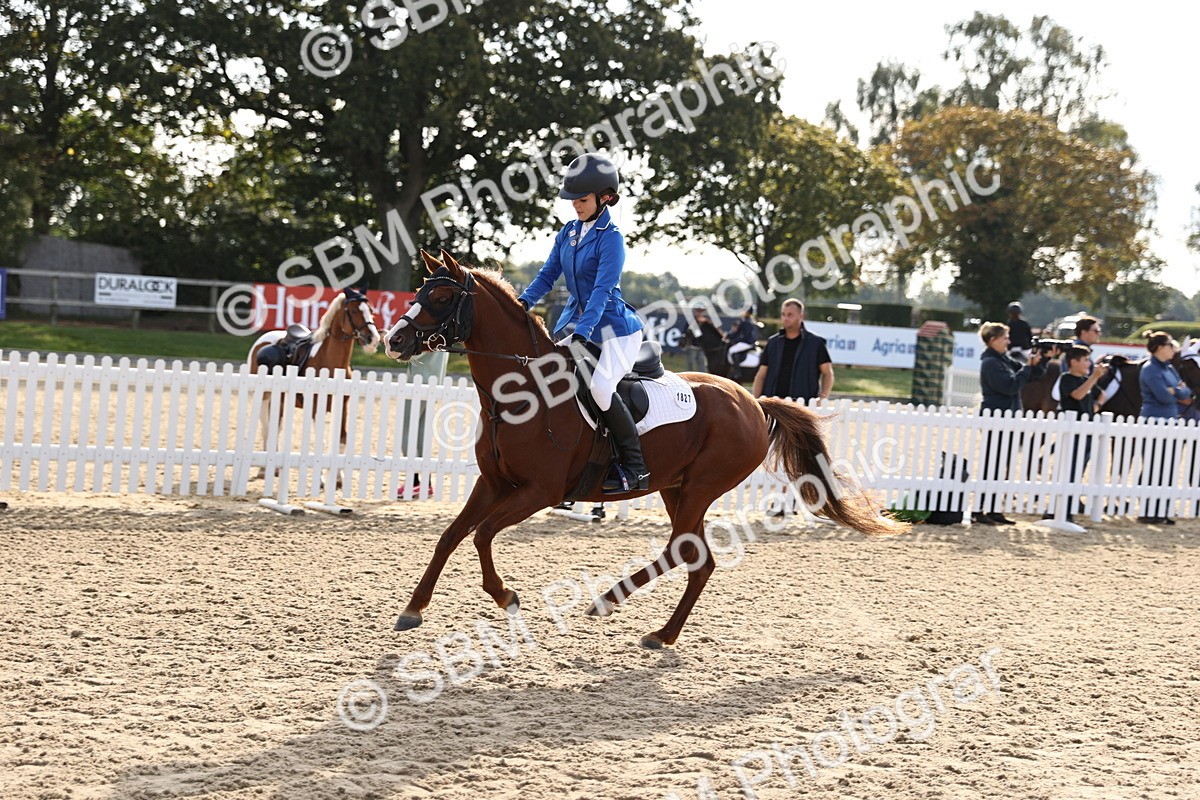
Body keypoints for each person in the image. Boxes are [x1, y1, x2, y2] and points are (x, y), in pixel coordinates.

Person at [517, 153, 649, 493]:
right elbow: (547, 275)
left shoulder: (612, 237)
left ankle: (635, 467)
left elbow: (603, 291)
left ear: (605, 197)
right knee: (548, 375)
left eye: (582, 199)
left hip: (616, 332)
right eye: (572, 199)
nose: (575, 205)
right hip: (580, 325)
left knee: (601, 388)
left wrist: (582, 332)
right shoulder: (569, 232)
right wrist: (521, 304)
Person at [974, 321, 1047, 525]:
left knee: (1001, 466)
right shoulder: (991, 363)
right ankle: (980, 510)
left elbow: (1033, 375)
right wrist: (1027, 369)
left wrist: (1042, 360)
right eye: (1005, 337)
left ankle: (994, 509)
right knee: (991, 466)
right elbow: (1011, 386)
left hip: (1007, 419)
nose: (1009, 341)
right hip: (995, 420)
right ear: (993, 340)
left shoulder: (1002, 359)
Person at [1136, 331, 1192, 524]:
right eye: (1170, 345)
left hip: (1170, 420)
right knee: (1153, 466)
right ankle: (1147, 511)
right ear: (1159, 347)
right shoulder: (1150, 369)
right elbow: (1164, 396)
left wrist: (1175, 390)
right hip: (1153, 420)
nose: (1174, 349)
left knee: (1167, 467)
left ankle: (1161, 510)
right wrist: (1177, 391)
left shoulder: (1168, 368)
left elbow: (1186, 391)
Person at [1046, 345, 1108, 522]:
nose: (1089, 363)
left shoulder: (1086, 380)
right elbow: (1077, 395)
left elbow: (1101, 395)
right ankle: (1057, 509)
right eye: (1085, 360)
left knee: (1078, 471)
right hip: (1072, 434)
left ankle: (1067, 508)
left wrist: (1096, 407)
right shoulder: (1066, 379)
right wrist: (1094, 378)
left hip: (1086, 433)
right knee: (1068, 469)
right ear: (1073, 362)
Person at [752, 299, 833, 402]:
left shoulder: (816, 343)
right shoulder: (773, 342)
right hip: (773, 405)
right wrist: (756, 400)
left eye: (790, 315)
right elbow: (761, 375)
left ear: (801, 316)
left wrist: (822, 398)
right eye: (783, 314)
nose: (785, 318)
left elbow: (828, 373)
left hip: (803, 406)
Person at [682, 308, 726, 374]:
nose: (699, 313)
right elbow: (685, 332)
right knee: (690, 363)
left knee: (702, 364)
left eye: (701, 311)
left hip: (701, 347)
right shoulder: (691, 321)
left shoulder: (705, 322)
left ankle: (703, 377)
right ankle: (688, 377)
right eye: (698, 311)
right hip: (692, 346)